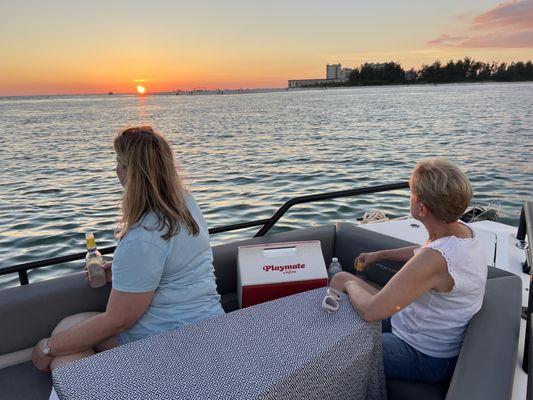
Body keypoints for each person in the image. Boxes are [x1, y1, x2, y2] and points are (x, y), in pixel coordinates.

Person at [32, 126, 224, 372]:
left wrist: (47, 348)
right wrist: (121, 269)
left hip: (170, 340)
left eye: (118, 163)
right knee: (68, 328)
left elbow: (118, 321)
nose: (116, 170)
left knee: (64, 358)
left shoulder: (144, 234)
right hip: (207, 323)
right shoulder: (183, 201)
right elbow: (170, 264)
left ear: (129, 173)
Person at [331, 157, 487, 383]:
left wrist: (349, 284)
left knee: (334, 346)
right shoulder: (462, 231)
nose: (409, 198)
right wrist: (379, 255)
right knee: (342, 279)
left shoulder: (435, 259)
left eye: (411, 193)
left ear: (421, 208)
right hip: (410, 326)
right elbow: (425, 251)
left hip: (424, 356)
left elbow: (371, 312)